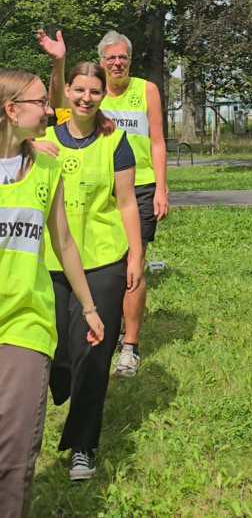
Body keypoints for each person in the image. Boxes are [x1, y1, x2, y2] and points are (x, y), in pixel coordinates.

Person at [0, 70, 104, 518]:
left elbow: (63, 242)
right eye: (41, 102)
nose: (50, 110)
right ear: (11, 110)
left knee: (14, 455)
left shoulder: (47, 166)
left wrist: (89, 306)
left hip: (27, 323)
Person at [37, 28, 168, 377]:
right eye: (110, 56)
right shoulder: (91, 90)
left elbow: (157, 139)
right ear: (101, 62)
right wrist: (58, 61)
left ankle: (130, 346)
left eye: (122, 56)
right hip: (98, 185)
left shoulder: (146, 90)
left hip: (138, 185)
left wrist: (161, 187)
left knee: (132, 263)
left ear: (130, 60)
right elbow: (59, 108)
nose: (117, 62)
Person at [42, 62, 143, 481]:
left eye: (94, 92)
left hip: (103, 260)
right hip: (50, 261)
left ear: (105, 95)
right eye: (78, 90)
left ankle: (82, 445)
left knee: (92, 353)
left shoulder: (115, 140)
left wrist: (135, 256)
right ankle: (65, 379)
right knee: (60, 357)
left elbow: (125, 203)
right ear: (67, 91)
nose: (86, 98)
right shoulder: (43, 140)